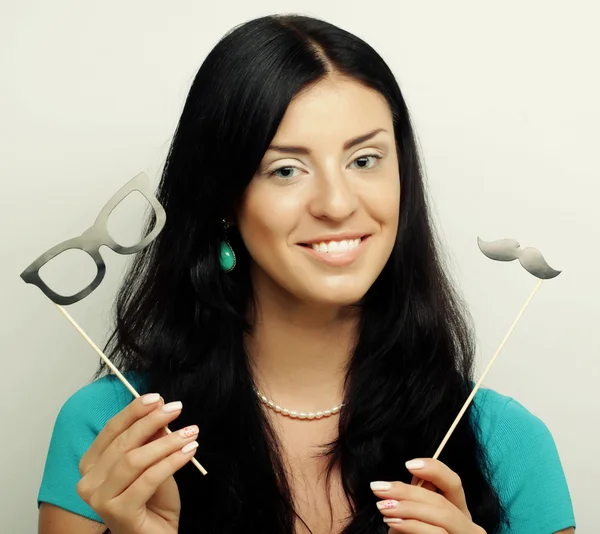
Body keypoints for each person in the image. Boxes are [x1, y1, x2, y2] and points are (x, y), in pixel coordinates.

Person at [37, 13, 576, 534]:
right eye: (286, 169)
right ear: (225, 197)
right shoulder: (114, 434)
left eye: (365, 160)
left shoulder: (508, 444)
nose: (338, 204)